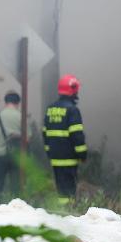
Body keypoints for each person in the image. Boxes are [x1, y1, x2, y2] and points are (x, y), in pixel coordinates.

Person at [44, 74, 87, 203]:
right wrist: (82, 154)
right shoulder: (72, 110)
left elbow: (45, 133)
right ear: (72, 90)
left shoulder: (50, 109)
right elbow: (77, 135)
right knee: (69, 191)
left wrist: (49, 151)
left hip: (55, 158)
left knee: (61, 189)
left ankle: (63, 212)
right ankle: (69, 215)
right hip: (69, 158)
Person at [0, 91, 22, 196]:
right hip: (16, 155)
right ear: (17, 103)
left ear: (5, 102)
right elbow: (28, 138)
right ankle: (16, 208)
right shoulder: (21, 116)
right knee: (16, 187)